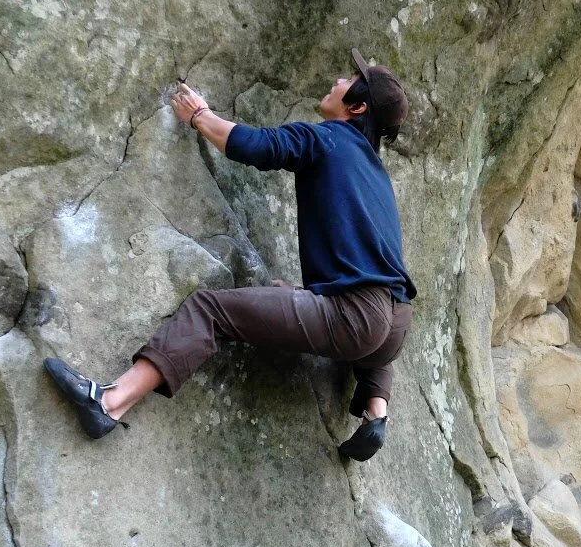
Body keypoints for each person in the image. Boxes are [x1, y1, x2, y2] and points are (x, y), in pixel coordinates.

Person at [43, 51, 416, 462]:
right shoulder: (377, 175)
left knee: (209, 310)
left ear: (357, 107)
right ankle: (377, 412)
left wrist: (199, 115)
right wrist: (303, 295)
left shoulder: (327, 138)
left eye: (348, 79)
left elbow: (257, 146)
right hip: (394, 326)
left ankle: (109, 403)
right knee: (368, 333)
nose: (338, 80)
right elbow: (376, 272)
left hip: (356, 318)